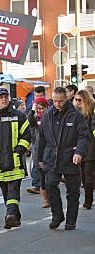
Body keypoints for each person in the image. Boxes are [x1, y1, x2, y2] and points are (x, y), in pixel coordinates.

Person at [38, 86, 89, 230]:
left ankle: (71, 220)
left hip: (71, 157)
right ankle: (57, 215)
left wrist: (79, 152)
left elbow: (84, 136)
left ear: (66, 99)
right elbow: (41, 138)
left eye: (60, 101)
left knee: (72, 190)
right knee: (50, 185)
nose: (57, 104)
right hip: (51, 158)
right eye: (54, 101)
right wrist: (39, 158)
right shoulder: (48, 114)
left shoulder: (76, 115)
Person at [0, 88, 31, 229]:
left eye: (6, 97)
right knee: (6, 193)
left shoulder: (19, 115)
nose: (4, 99)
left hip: (15, 162)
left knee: (13, 191)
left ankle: (10, 216)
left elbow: (26, 135)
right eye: (1, 97)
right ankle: (15, 218)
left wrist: (19, 151)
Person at [27, 97, 51, 208]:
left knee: (50, 176)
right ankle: (46, 199)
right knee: (42, 176)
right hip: (38, 149)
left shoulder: (51, 117)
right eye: (39, 108)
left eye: (43, 108)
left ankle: (52, 197)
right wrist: (32, 110)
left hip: (50, 149)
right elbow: (28, 121)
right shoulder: (35, 119)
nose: (41, 111)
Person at [74, 90, 95, 209]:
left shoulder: (92, 111)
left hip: (91, 145)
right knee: (83, 176)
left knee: (88, 174)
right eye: (76, 100)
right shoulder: (76, 112)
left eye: (80, 100)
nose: (77, 102)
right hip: (80, 147)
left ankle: (88, 200)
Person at [25, 86, 47, 194]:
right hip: (35, 139)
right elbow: (27, 124)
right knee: (36, 162)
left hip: (49, 142)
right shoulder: (30, 108)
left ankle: (48, 184)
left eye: (41, 95)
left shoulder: (50, 107)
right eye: (37, 96)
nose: (38, 98)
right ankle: (36, 185)